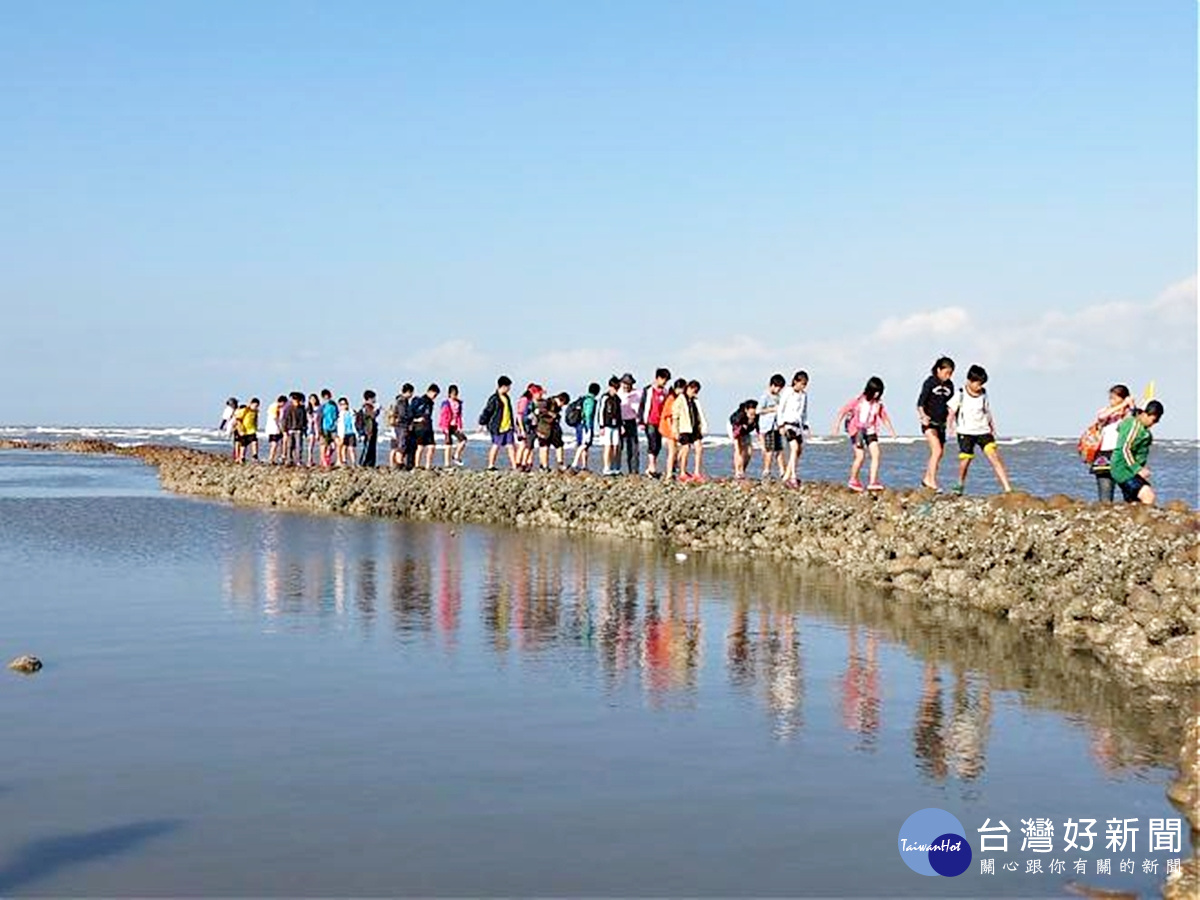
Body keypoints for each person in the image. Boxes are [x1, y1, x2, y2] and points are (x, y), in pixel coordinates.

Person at [946, 365, 1013, 495]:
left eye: (982, 384)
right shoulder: (960, 393)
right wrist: (950, 427)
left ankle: (1007, 488)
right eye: (978, 383)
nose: (980, 386)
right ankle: (959, 484)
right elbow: (951, 412)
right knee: (965, 461)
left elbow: (986, 410)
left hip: (983, 431)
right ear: (969, 381)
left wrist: (992, 426)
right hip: (966, 432)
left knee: (995, 457)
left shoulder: (983, 393)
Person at [833, 376, 897, 492]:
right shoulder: (858, 401)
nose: (877, 395)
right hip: (857, 430)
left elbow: (884, 417)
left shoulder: (878, 404)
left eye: (879, 392)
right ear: (870, 390)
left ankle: (873, 481)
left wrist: (891, 430)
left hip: (871, 430)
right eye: (875, 392)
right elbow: (843, 411)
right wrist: (836, 426)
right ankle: (853, 479)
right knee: (860, 456)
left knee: (876, 454)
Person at [1111, 400, 1164, 505]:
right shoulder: (1133, 426)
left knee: (1134, 504)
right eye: (1154, 419)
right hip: (1124, 469)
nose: (1155, 423)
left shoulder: (1141, 428)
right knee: (1148, 496)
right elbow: (1124, 449)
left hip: (1130, 470)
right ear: (1145, 414)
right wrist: (1137, 469)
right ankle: (1146, 521)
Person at [1088, 384, 1134, 503]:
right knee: (1105, 494)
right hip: (1104, 454)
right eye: (1110, 398)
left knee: (1129, 492)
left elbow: (1132, 422)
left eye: (1114, 398)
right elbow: (1101, 416)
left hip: (1121, 454)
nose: (1111, 401)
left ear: (1124, 397)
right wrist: (1122, 405)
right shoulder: (1106, 411)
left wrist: (1130, 406)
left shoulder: (1129, 413)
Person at [917, 357, 956, 491]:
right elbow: (920, 402)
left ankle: (927, 479)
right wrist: (923, 416)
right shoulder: (930, 382)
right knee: (936, 450)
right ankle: (932, 482)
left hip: (941, 424)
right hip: (929, 423)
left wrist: (951, 424)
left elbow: (951, 407)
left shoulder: (950, 385)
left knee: (938, 454)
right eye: (946, 372)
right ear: (939, 370)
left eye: (951, 373)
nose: (948, 376)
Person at [777, 371, 810, 487]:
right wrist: (780, 424)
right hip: (788, 424)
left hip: (798, 425)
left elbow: (804, 411)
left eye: (805, 384)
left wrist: (806, 426)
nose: (803, 386)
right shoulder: (788, 392)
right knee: (794, 448)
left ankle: (787, 474)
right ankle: (793, 477)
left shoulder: (804, 395)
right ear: (796, 381)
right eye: (802, 383)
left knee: (798, 451)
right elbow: (781, 408)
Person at [480, 376, 518, 471]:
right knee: (496, 446)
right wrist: (482, 423)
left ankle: (514, 466)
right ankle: (491, 465)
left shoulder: (507, 397)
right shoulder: (494, 398)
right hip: (497, 427)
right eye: (508, 386)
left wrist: (513, 425)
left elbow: (509, 412)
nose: (509, 389)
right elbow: (487, 411)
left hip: (508, 426)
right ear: (503, 386)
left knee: (511, 446)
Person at [674, 380, 708, 482]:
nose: (694, 393)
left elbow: (699, 414)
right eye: (693, 390)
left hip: (694, 428)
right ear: (688, 388)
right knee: (686, 449)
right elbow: (675, 415)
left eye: (696, 391)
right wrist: (675, 430)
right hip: (684, 428)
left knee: (699, 447)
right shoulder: (680, 399)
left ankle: (697, 472)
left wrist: (702, 425)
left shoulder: (695, 400)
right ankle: (682, 472)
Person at [640, 368, 671, 477]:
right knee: (652, 442)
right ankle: (652, 466)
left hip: (660, 422)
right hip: (650, 420)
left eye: (666, 380)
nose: (665, 382)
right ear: (657, 378)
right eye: (663, 379)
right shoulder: (648, 390)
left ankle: (650, 468)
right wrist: (641, 421)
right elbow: (642, 405)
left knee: (658, 445)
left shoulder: (665, 392)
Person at [758, 374, 786, 481]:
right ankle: (766, 471)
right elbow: (758, 410)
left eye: (780, 388)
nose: (779, 390)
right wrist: (772, 409)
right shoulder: (765, 396)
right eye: (778, 387)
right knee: (769, 450)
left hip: (776, 426)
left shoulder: (778, 397)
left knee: (779, 450)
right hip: (767, 427)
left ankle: (782, 471)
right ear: (772, 385)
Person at [569, 382, 600, 472]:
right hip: (585, 425)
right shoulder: (590, 400)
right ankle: (574, 464)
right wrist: (589, 427)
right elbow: (588, 413)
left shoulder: (584, 398)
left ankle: (584, 465)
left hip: (579, 425)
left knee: (584, 446)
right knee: (584, 444)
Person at [408, 384, 440, 470]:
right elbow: (410, 413)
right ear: (429, 391)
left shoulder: (431, 403)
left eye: (436, 395)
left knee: (432, 446)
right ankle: (417, 465)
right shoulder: (419, 400)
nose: (435, 397)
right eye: (435, 395)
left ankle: (428, 465)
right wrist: (416, 420)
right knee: (420, 446)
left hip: (428, 426)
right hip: (419, 427)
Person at [535, 392, 570, 471]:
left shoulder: (555, 405)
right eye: (563, 404)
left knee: (559, 444)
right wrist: (551, 414)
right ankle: (544, 466)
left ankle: (560, 463)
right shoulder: (547, 402)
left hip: (554, 427)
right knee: (544, 446)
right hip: (543, 427)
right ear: (561, 401)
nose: (562, 406)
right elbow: (539, 410)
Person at [660, 378, 685, 480]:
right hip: (669, 428)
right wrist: (672, 431)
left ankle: (673, 469)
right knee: (672, 451)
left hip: (674, 427)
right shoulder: (671, 398)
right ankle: (669, 473)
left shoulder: (678, 398)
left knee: (679, 449)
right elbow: (668, 416)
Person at [599, 376, 624, 476]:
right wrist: (601, 426)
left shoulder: (617, 399)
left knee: (616, 446)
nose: (615, 390)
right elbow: (601, 412)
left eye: (617, 388)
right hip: (607, 426)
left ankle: (615, 467)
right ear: (610, 387)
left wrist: (621, 425)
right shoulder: (605, 397)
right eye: (614, 388)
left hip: (616, 426)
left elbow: (619, 413)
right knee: (607, 446)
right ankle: (606, 467)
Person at [438, 384, 468, 467]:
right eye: (453, 394)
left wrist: (460, 426)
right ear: (449, 394)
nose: (454, 396)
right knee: (448, 444)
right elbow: (443, 416)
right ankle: (447, 464)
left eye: (456, 394)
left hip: (455, 425)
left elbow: (459, 416)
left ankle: (456, 456)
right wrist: (445, 428)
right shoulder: (446, 403)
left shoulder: (458, 403)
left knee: (463, 440)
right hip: (446, 425)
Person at [729, 399, 759, 479]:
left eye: (754, 414)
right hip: (735, 429)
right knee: (739, 450)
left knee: (749, 452)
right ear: (746, 410)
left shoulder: (757, 417)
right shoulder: (739, 418)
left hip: (746, 431)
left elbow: (759, 430)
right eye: (751, 414)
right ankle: (737, 472)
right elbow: (736, 434)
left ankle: (742, 470)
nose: (753, 416)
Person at [619, 373, 642, 475]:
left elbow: (641, 409)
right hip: (619, 422)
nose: (627, 386)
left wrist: (641, 421)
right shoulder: (617, 393)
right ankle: (615, 469)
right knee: (618, 447)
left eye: (629, 384)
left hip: (631, 422)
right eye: (625, 383)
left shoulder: (637, 393)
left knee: (633, 448)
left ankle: (633, 471)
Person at [387, 384, 414, 468]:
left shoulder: (401, 401)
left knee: (400, 445)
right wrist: (410, 418)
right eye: (411, 392)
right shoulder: (402, 401)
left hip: (400, 425)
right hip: (401, 426)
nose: (412, 395)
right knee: (401, 445)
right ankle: (399, 463)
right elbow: (403, 414)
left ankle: (399, 462)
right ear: (408, 392)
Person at [282, 391, 308, 466]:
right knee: (289, 445)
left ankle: (298, 460)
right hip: (290, 430)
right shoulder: (288, 408)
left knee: (299, 446)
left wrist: (304, 429)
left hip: (299, 430)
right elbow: (285, 419)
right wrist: (284, 430)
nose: (295, 401)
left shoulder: (302, 409)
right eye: (294, 399)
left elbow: (304, 420)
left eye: (297, 400)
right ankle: (289, 459)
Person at [357, 390, 379, 467]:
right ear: (370, 398)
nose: (375, 400)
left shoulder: (367, 407)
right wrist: (377, 410)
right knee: (368, 447)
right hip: (368, 430)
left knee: (371, 447)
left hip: (370, 430)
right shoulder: (367, 407)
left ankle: (369, 463)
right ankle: (363, 463)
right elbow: (372, 416)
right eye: (374, 398)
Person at [234, 398, 260, 463]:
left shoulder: (256, 411)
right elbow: (238, 419)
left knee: (254, 441)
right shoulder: (245, 410)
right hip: (243, 430)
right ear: (251, 404)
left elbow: (255, 419)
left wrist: (256, 426)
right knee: (243, 445)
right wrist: (240, 430)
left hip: (251, 430)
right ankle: (242, 458)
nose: (255, 407)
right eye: (255, 406)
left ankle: (255, 456)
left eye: (257, 406)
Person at [319, 389, 339, 468]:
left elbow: (336, 415)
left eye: (328, 396)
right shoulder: (323, 406)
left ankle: (328, 457)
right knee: (324, 445)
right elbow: (320, 417)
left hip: (333, 428)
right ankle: (323, 461)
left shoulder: (334, 405)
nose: (327, 398)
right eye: (325, 397)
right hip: (325, 428)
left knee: (334, 445)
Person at [336, 396, 357, 467]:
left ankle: (353, 462)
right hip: (342, 433)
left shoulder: (351, 412)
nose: (343, 406)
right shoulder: (339, 414)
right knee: (343, 448)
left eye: (344, 404)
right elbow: (337, 425)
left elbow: (355, 422)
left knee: (351, 448)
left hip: (351, 432)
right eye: (341, 404)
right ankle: (344, 461)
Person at [266, 395, 286, 464]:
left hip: (271, 428)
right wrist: (280, 428)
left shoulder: (272, 406)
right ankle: (271, 459)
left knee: (274, 444)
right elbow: (276, 418)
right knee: (274, 444)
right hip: (274, 429)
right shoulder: (275, 407)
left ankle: (272, 458)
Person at [306, 393, 322, 467]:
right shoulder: (308, 409)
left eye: (314, 399)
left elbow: (320, 418)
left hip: (319, 428)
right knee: (311, 446)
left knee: (323, 445)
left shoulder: (319, 408)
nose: (313, 400)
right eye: (311, 399)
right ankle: (310, 460)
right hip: (311, 429)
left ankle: (323, 460)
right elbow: (308, 420)